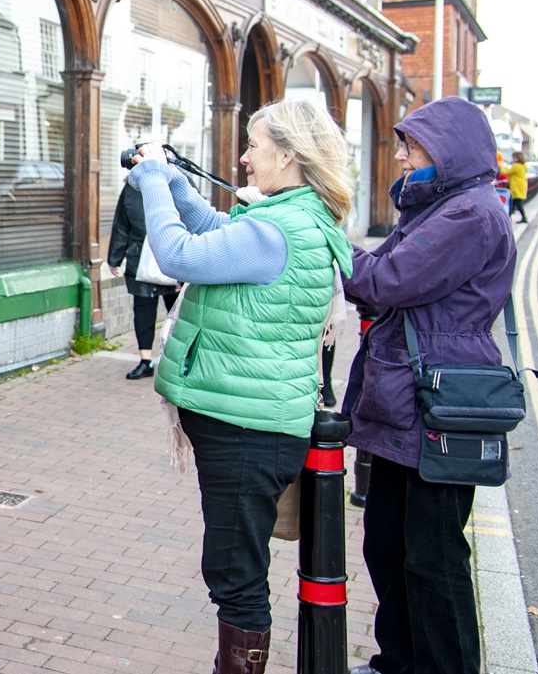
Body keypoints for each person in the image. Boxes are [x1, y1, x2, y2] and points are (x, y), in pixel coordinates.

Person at [129, 98, 353, 674]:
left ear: (288, 155)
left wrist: (152, 177)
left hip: (247, 431)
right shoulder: (290, 219)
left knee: (235, 577)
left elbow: (179, 253)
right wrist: (177, 185)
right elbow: (214, 229)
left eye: (254, 146)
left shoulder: (279, 231)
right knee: (237, 572)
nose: (245, 158)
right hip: (252, 424)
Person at [341, 97, 514, 674]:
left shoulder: (468, 215)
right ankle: (401, 661)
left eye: (410, 148)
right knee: (387, 543)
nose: (400, 158)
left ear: (446, 152)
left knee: (433, 556)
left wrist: (330, 243)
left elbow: (387, 279)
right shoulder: (438, 208)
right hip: (408, 395)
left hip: (439, 400)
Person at [107, 179, 179, 379]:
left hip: (171, 259)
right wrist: (115, 257)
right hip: (140, 261)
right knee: (143, 312)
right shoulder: (131, 188)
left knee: (178, 315)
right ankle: (145, 360)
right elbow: (121, 224)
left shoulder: (178, 183)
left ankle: (177, 362)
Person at [503, 150, 529, 223]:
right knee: (515, 203)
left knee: (516, 203)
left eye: (514, 157)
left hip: (516, 187)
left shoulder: (516, 166)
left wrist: (502, 166)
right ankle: (512, 218)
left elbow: (506, 172)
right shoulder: (523, 166)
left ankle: (511, 219)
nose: (513, 159)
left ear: (517, 158)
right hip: (521, 186)